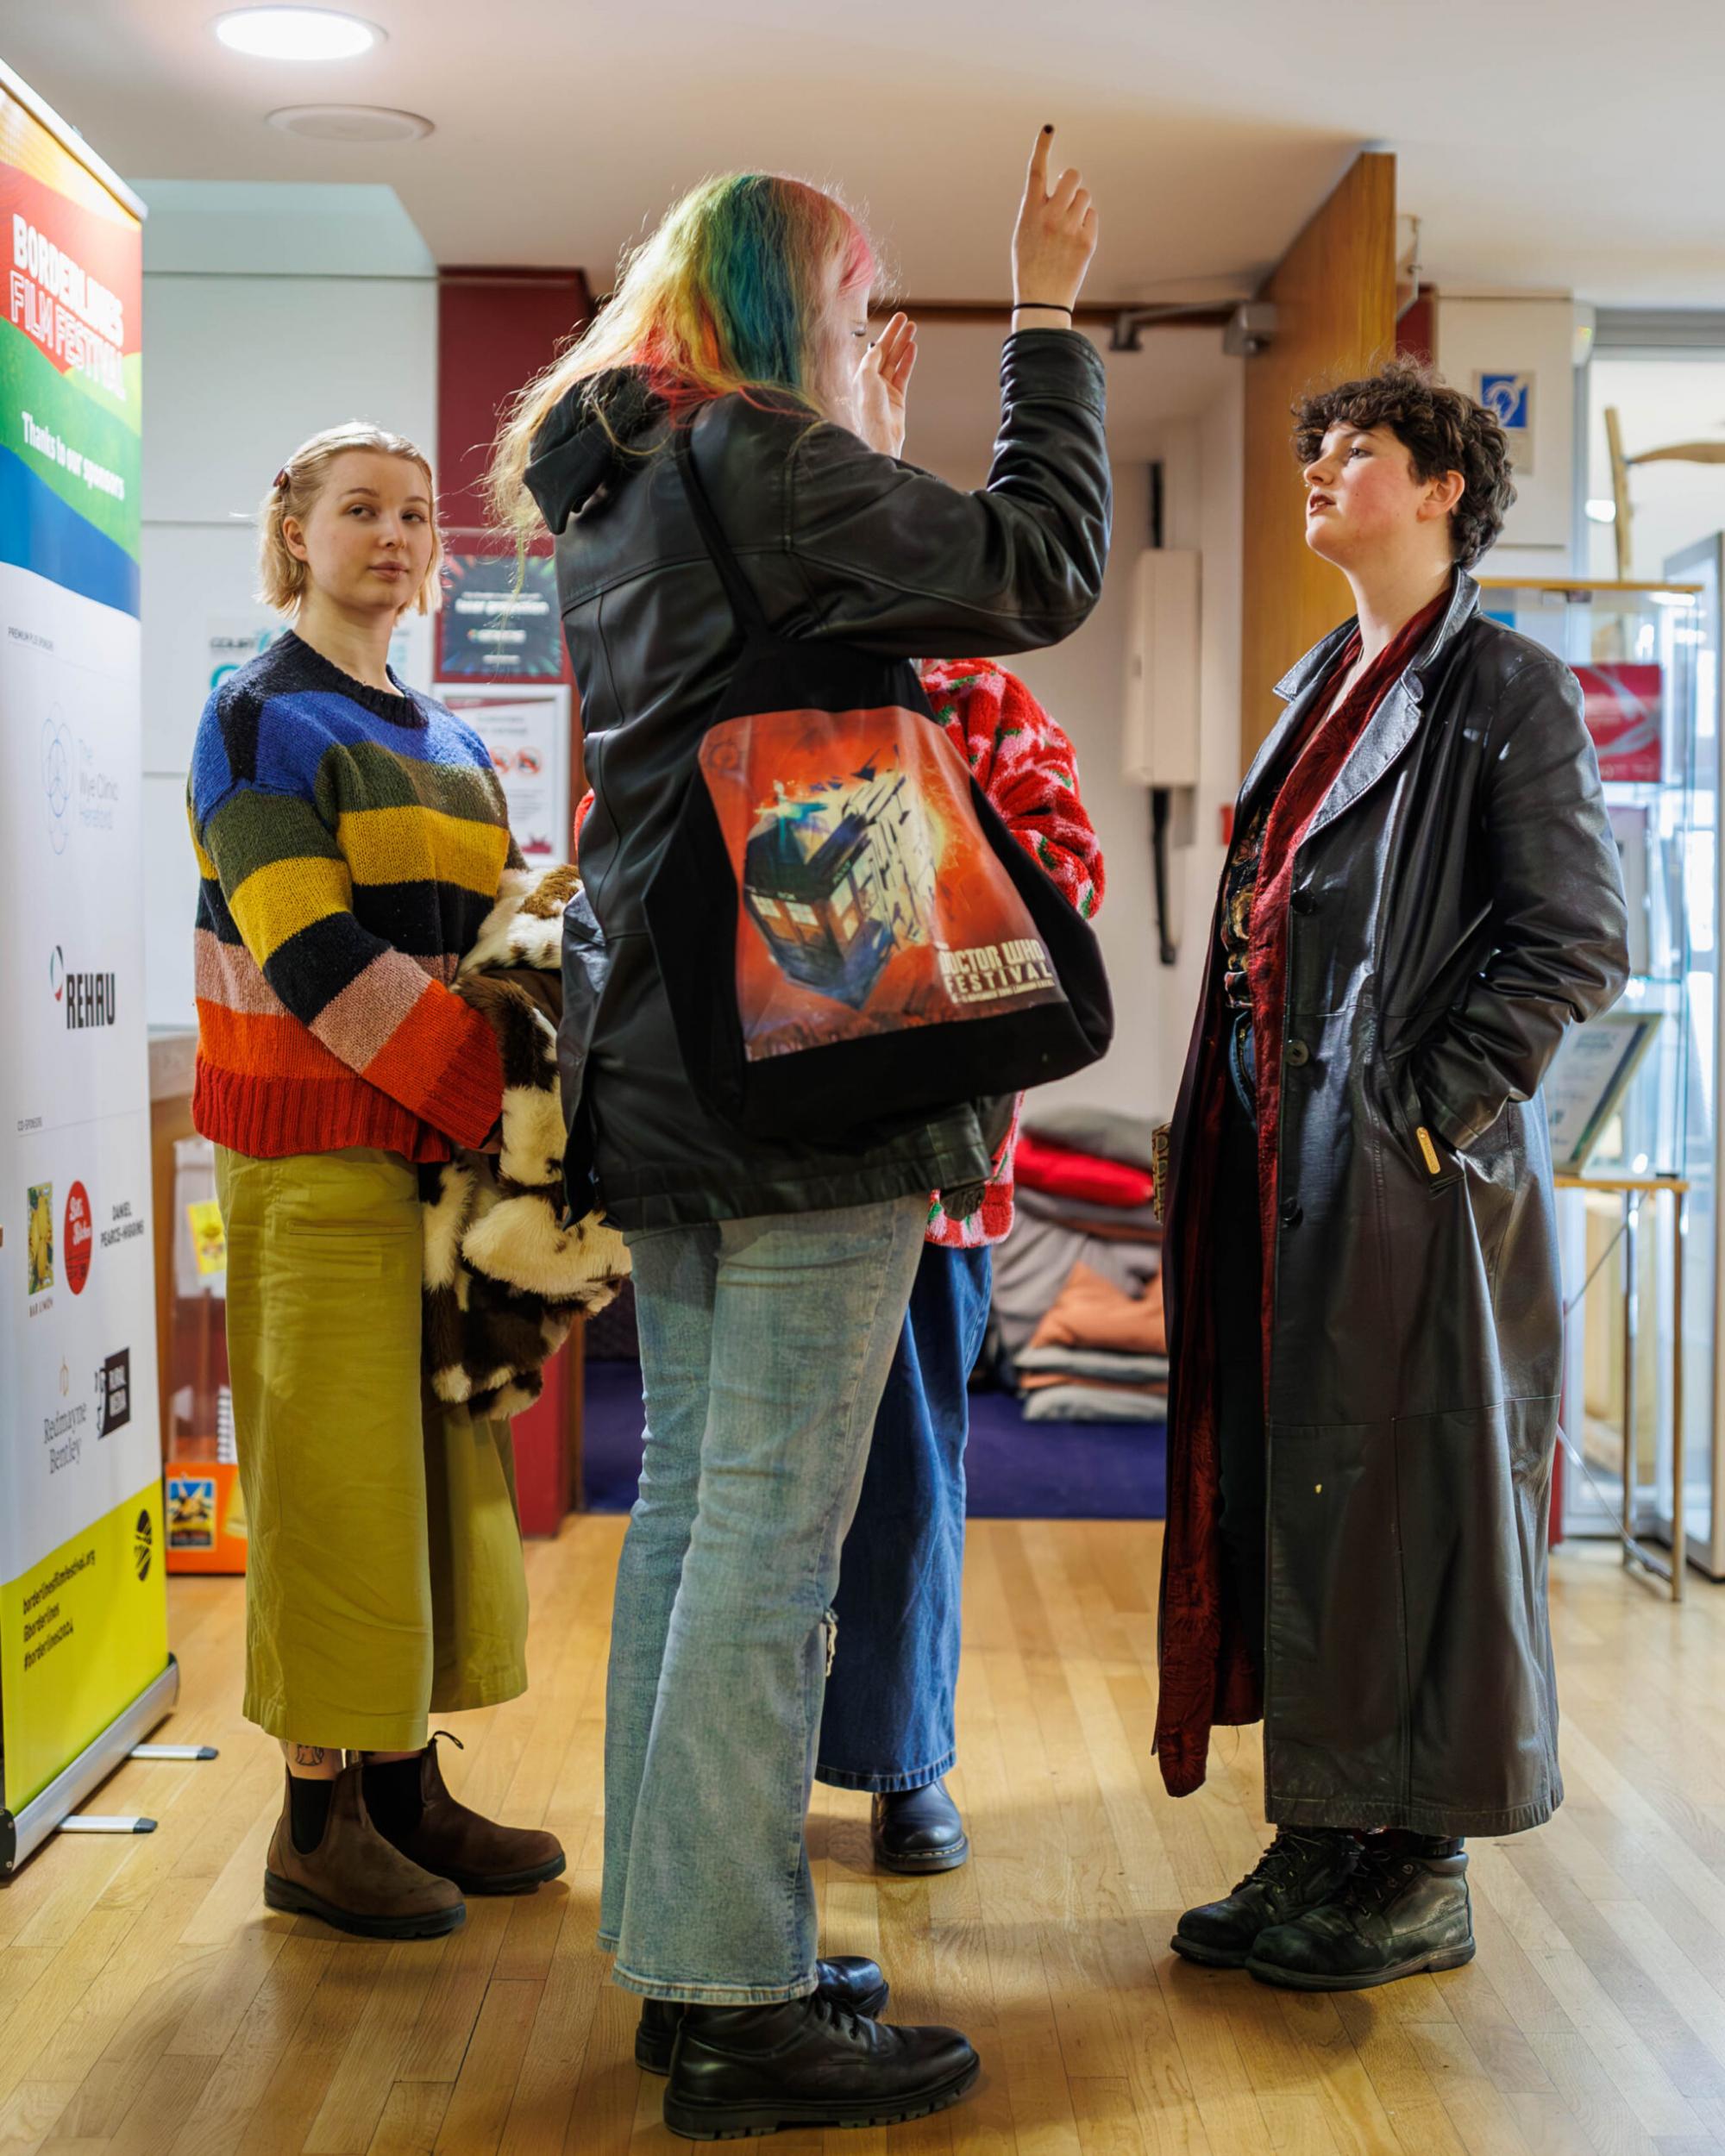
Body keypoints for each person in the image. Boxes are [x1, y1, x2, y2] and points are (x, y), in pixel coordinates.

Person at [487, 132, 1108, 2137]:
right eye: (854, 316)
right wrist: (1045, 330)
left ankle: (693, 1943)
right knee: (765, 1539)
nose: (870, 341)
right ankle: (741, 1999)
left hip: (667, 1068)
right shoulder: (753, 458)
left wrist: (879, 402)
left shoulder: (627, 478)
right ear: (775, 322)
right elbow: (1038, 567)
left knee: (695, 1522)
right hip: (808, 1067)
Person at [1157, 358, 1628, 1991]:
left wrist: (1426, 1110)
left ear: (1443, 489)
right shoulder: (1317, 685)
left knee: (1412, 1507)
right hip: (1290, 1166)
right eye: (1319, 447)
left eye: (1361, 449)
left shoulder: (1508, 688)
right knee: (1314, 1495)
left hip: (1412, 1181)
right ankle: (1323, 1834)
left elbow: (1576, 943)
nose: (1323, 467)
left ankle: (1414, 1865)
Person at [187, 423, 566, 1940]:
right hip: (315, 1154)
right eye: (359, 511)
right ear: (296, 532)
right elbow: (309, 948)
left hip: (432, 1163)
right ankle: (313, 1820)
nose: (395, 537)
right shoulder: (253, 714)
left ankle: (407, 1793)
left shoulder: (455, 737)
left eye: (417, 515)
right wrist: (486, 1090)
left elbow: (499, 931)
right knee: (336, 1486)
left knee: (434, 1479)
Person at [816, 655, 1105, 1873]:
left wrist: (887, 888)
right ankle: (740, 1770)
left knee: (910, 1480)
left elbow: (1064, 874)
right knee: (743, 1493)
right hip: (757, 1161)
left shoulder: (976, 696)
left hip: (939, 1172)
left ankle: (902, 1765)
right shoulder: (719, 652)